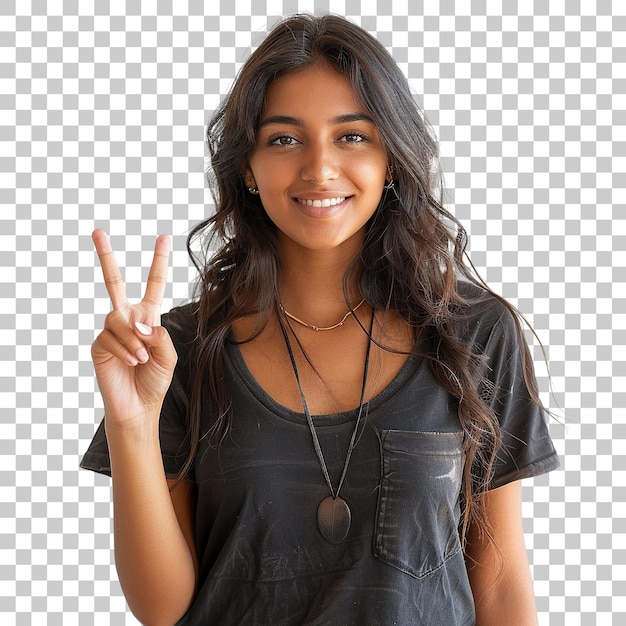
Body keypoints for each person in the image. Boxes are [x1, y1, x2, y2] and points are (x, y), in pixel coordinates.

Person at [81, 13, 559, 625]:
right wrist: (131, 422)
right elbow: (162, 608)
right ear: (247, 168)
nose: (320, 168)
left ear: (393, 156)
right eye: (284, 138)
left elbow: (499, 586)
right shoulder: (177, 351)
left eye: (352, 136)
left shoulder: (472, 332)